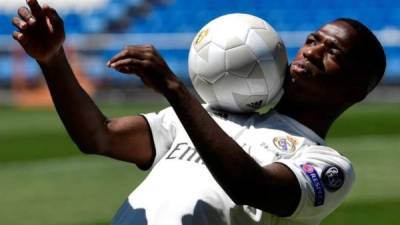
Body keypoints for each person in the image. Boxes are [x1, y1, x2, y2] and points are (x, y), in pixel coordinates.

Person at [12, 0, 386, 225]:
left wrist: (175, 89)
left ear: (356, 89)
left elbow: (250, 186)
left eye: (333, 52)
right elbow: (99, 135)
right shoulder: (211, 115)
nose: (312, 53)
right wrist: (52, 59)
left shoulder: (326, 165)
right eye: (312, 40)